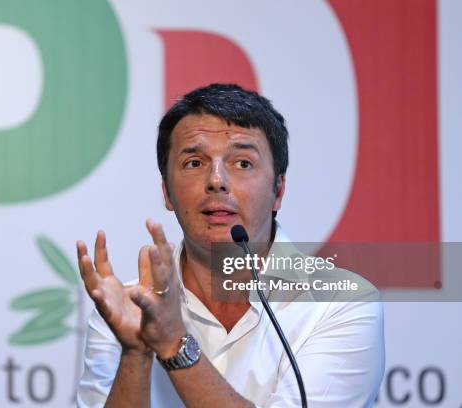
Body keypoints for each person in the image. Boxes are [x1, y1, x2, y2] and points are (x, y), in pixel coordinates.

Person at [75, 83, 385, 407]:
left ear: (278, 190)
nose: (217, 180)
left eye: (242, 163)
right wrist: (136, 352)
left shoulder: (341, 304)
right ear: (166, 192)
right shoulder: (127, 310)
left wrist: (174, 343)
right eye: (194, 162)